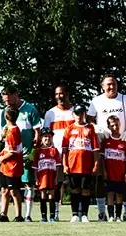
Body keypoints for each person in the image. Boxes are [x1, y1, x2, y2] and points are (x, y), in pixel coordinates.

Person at [88, 75, 126, 220]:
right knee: (102, 179)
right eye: (108, 84)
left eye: (113, 84)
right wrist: (97, 128)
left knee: (125, 180)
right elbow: (89, 120)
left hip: (121, 144)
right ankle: (102, 212)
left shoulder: (124, 99)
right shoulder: (97, 100)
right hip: (103, 145)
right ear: (102, 86)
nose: (111, 87)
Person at [0, 86, 42, 221]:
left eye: (9, 100)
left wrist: (33, 152)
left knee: (27, 184)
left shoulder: (30, 109)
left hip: (25, 153)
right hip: (11, 157)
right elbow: (4, 132)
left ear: (16, 95)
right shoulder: (4, 112)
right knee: (7, 188)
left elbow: (37, 132)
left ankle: (27, 215)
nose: (7, 103)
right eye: (5, 101)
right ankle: (4, 214)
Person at [42, 85, 75, 218]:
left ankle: (76, 214)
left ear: (67, 93)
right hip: (56, 156)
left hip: (73, 155)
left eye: (61, 93)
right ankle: (54, 214)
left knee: (74, 185)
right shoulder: (50, 113)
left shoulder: (75, 112)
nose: (59, 97)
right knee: (56, 184)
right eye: (56, 94)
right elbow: (45, 136)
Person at [63, 108, 98, 222]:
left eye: (81, 113)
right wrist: (65, 165)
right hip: (73, 164)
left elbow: (95, 149)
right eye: (77, 113)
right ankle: (74, 214)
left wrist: (96, 164)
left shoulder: (90, 128)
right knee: (74, 189)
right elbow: (65, 150)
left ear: (84, 114)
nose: (79, 116)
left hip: (86, 165)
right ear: (73, 115)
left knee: (85, 190)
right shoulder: (69, 129)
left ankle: (84, 214)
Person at [101, 115, 126, 222]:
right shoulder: (105, 142)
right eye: (112, 125)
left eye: (117, 125)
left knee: (119, 194)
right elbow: (102, 158)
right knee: (110, 194)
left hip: (120, 173)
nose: (115, 127)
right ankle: (110, 216)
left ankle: (118, 216)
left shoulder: (125, 141)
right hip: (109, 172)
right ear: (109, 127)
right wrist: (104, 170)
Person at [0, 108, 24, 221]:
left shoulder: (13, 131)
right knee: (4, 190)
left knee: (13, 190)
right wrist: (1, 153)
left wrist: (2, 158)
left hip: (12, 166)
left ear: (6, 117)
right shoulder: (10, 130)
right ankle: (4, 214)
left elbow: (14, 151)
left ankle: (18, 215)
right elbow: (9, 148)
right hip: (6, 167)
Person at [34, 132, 61, 222]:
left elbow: (57, 166)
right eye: (45, 137)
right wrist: (36, 178)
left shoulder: (54, 150)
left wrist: (56, 178)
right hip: (42, 177)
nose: (47, 139)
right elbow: (35, 167)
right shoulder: (38, 151)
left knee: (51, 196)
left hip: (51, 177)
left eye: (49, 137)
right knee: (42, 195)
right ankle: (43, 216)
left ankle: (52, 217)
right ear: (41, 138)